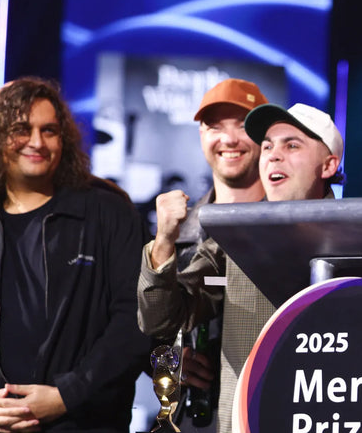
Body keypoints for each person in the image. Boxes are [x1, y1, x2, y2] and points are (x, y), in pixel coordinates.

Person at [0, 77, 151, 432]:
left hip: (83, 424)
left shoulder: (108, 215)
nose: (37, 142)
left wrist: (66, 395)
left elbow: (135, 322)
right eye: (22, 129)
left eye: (49, 130)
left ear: (64, 139)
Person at [137, 83, 343, 433]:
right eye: (267, 147)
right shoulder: (233, 236)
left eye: (291, 145)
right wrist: (164, 242)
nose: (273, 155)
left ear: (329, 165)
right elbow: (160, 322)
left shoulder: (357, 236)